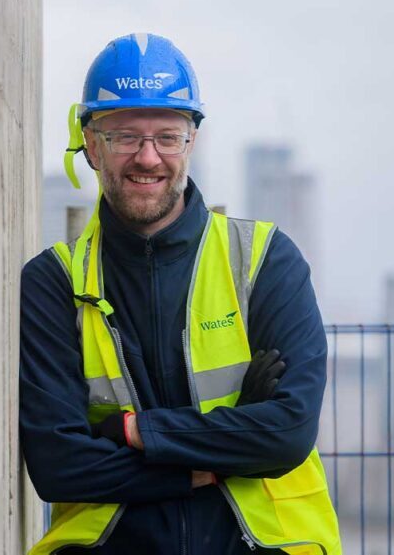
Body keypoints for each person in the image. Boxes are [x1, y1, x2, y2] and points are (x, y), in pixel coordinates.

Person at [19, 33, 341, 555]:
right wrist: (211, 460)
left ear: (192, 143)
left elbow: (287, 433)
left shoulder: (264, 260)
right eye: (124, 136)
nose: (148, 157)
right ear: (92, 145)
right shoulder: (54, 282)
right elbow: (59, 467)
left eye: (167, 137)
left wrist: (130, 431)